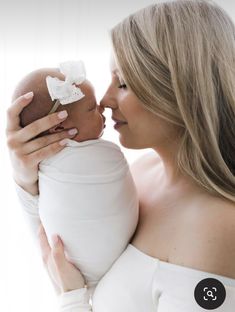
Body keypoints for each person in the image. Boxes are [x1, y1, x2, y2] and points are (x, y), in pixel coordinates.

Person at [6, 0, 235, 311]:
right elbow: (59, 255)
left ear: (181, 88)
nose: (105, 99)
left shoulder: (218, 230)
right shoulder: (140, 173)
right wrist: (28, 177)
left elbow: (68, 281)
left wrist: (72, 300)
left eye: (123, 82)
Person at [12, 61, 139, 295]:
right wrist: (24, 180)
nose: (102, 105)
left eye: (123, 83)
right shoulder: (51, 166)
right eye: (92, 109)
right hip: (77, 267)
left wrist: (71, 294)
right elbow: (46, 235)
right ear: (57, 126)